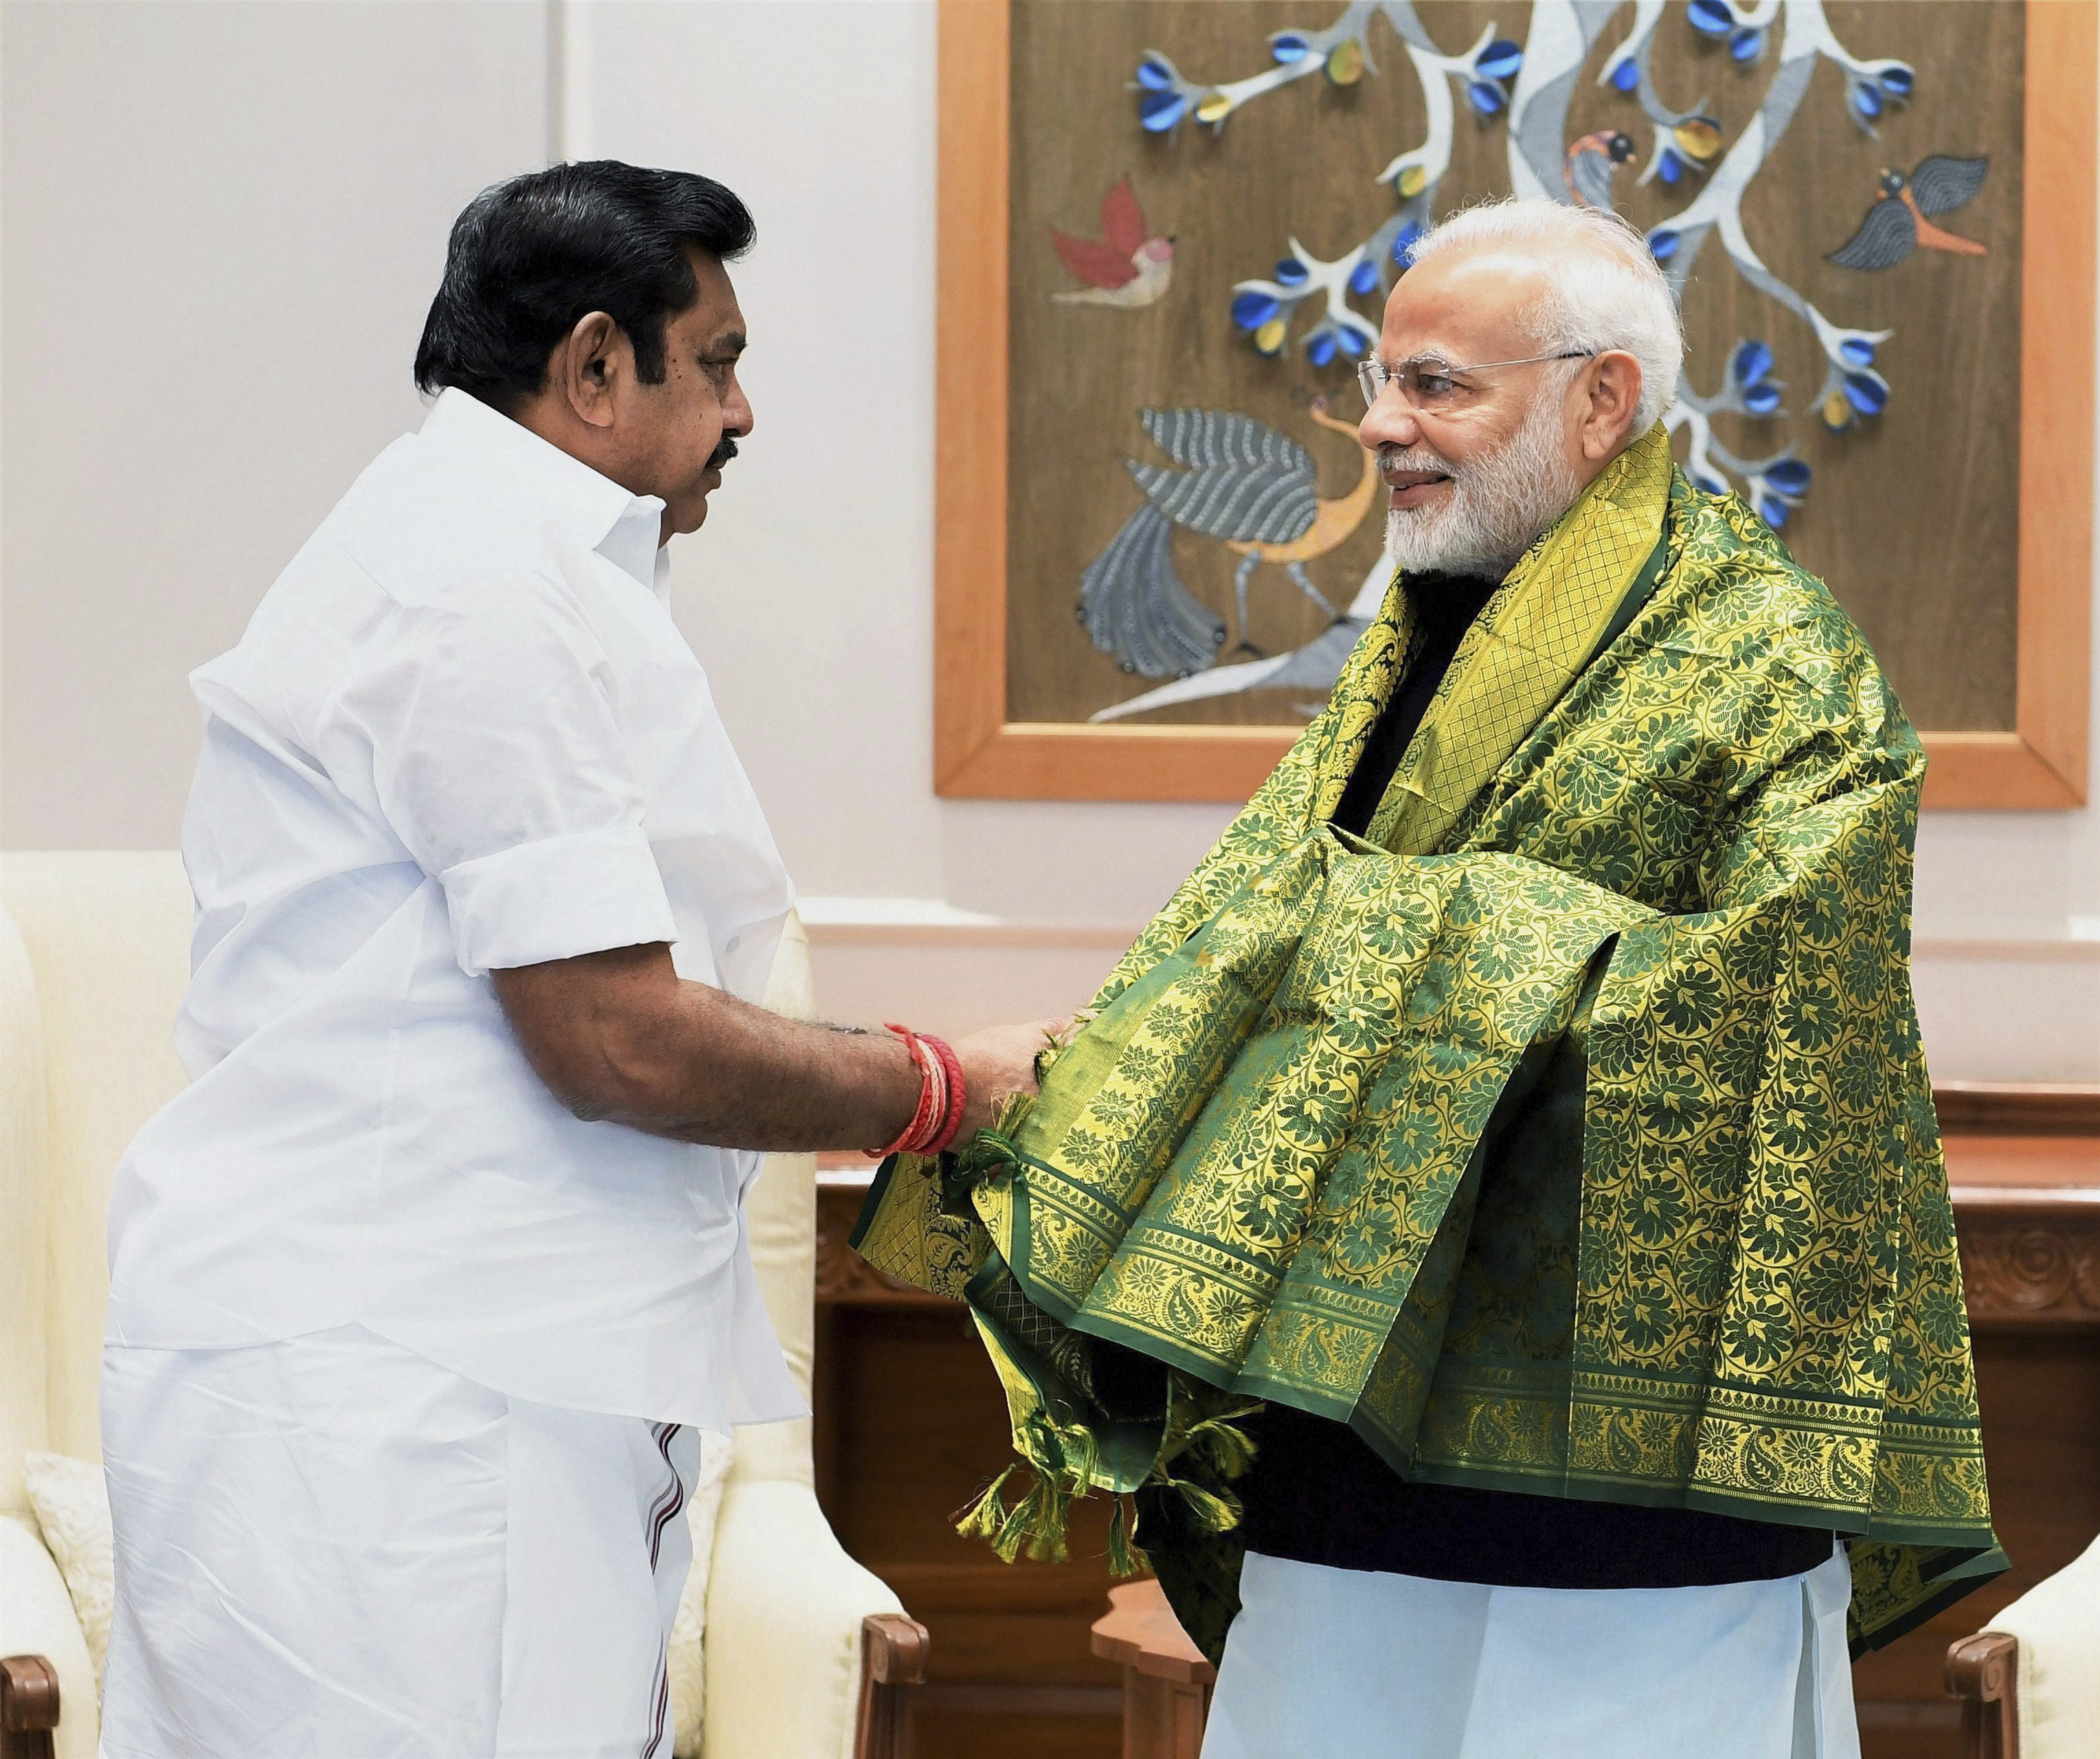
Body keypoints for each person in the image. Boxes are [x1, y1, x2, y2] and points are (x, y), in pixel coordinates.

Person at [855, 197, 2002, 1758]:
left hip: (1634, 1498)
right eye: (1379, 380)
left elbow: (1772, 1023)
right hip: (1347, 1458)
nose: (1383, 425)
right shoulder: (1418, 637)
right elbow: (1259, 931)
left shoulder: (1779, 662)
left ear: (1602, 402)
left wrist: (1384, 955)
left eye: (1439, 385)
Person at [98, 160, 1057, 1759]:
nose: (744, 414)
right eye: (723, 360)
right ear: (597, 365)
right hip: (402, 1412)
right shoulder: (480, 581)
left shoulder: (502, 556)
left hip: (455, 1374)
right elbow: (612, 1037)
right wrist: (943, 1084)